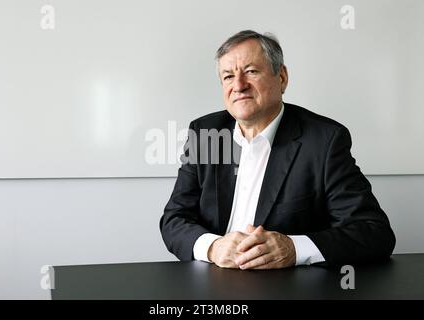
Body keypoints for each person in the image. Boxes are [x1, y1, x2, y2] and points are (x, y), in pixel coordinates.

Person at [160, 30, 395, 269]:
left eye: (251, 71)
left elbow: (374, 233)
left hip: (288, 286)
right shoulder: (205, 133)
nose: (239, 86)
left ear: (281, 77)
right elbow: (174, 219)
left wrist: (294, 248)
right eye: (228, 76)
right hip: (212, 280)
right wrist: (213, 247)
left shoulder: (324, 141)